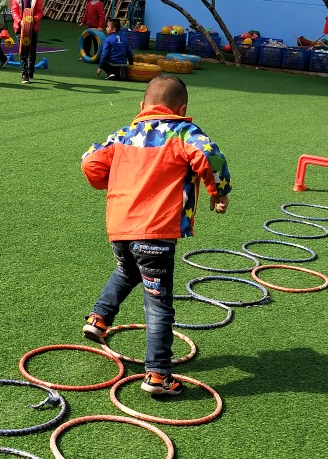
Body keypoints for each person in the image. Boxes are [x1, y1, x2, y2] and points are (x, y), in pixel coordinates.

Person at [80, 75, 232, 395]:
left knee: (127, 270)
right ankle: (158, 375)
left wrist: (114, 184)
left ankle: (98, 318)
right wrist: (218, 192)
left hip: (120, 228)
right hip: (156, 233)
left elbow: (90, 161)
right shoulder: (183, 132)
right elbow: (209, 156)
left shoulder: (123, 135)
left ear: (142, 106)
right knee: (159, 304)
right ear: (182, 109)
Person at [11, 0, 43, 84]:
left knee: (32, 51)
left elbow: (39, 12)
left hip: (32, 29)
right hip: (20, 29)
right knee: (23, 50)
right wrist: (19, 21)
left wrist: (33, 20)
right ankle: (24, 73)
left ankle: (31, 70)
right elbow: (14, 11)